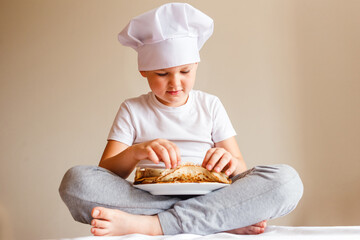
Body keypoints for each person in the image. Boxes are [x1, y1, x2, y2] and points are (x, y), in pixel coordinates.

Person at [59, 3, 303, 236]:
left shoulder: (210, 105)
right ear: (143, 71)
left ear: (196, 64)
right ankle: (217, 220)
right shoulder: (132, 109)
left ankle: (154, 225)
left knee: (287, 181)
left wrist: (227, 160)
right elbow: (105, 173)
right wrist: (136, 152)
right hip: (149, 198)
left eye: (185, 71)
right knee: (75, 183)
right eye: (162, 73)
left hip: (211, 194)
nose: (175, 83)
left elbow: (240, 171)